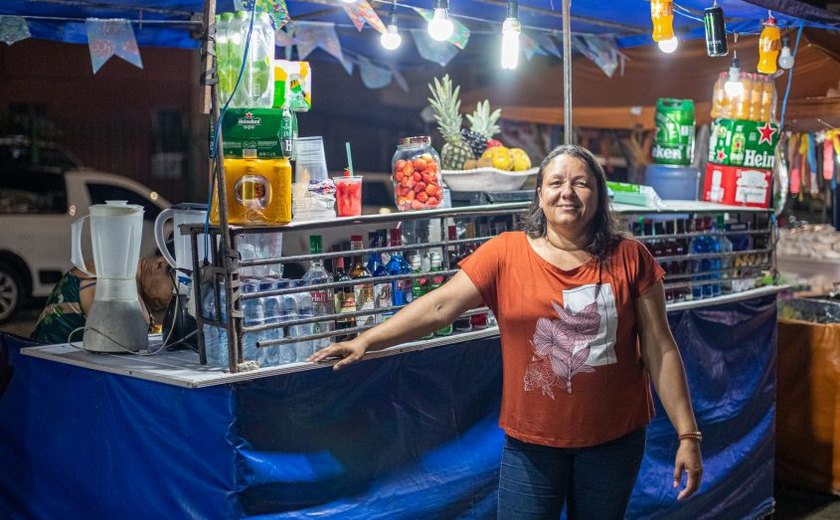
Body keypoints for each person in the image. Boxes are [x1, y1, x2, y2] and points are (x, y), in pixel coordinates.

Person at [309, 144, 703, 518]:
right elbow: (440, 306)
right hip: (532, 445)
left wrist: (688, 436)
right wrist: (365, 340)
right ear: (539, 194)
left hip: (613, 443)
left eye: (581, 183)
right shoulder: (506, 253)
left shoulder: (630, 257)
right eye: (556, 183)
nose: (568, 192)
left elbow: (660, 348)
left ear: (599, 196)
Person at [31, 255, 175, 344]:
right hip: (50, 372)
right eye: (175, 288)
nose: (172, 300)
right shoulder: (113, 278)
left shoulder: (125, 274)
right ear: (160, 264)